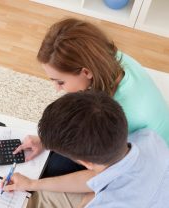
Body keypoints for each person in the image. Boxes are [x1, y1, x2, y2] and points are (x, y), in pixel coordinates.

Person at [3, 91, 169, 208]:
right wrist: (32, 184)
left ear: (86, 162)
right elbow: (96, 176)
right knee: (42, 196)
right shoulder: (149, 139)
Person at [13, 18, 169, 178]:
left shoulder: (122, 113)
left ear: (86, 72)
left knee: (53, 168)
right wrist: (44, 141)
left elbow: (107, 168)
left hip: (148, 161)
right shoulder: (108, 57)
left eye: (60, 82)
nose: (57, 88)